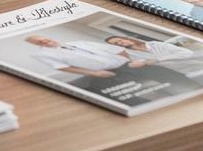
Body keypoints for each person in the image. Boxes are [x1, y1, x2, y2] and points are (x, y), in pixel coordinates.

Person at [23, 34, 194, 105]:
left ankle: (192, 88)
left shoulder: (78, 42)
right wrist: (94, 73)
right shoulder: (41, 54)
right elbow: (66, 67)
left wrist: (131, 61)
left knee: (164, 74)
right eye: (39, 42)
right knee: (132, 91)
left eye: (45, 39)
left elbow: (115, 49)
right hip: (106, 72)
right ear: (35, 45)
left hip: (127, 64)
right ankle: (157, 104)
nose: (45, 42)